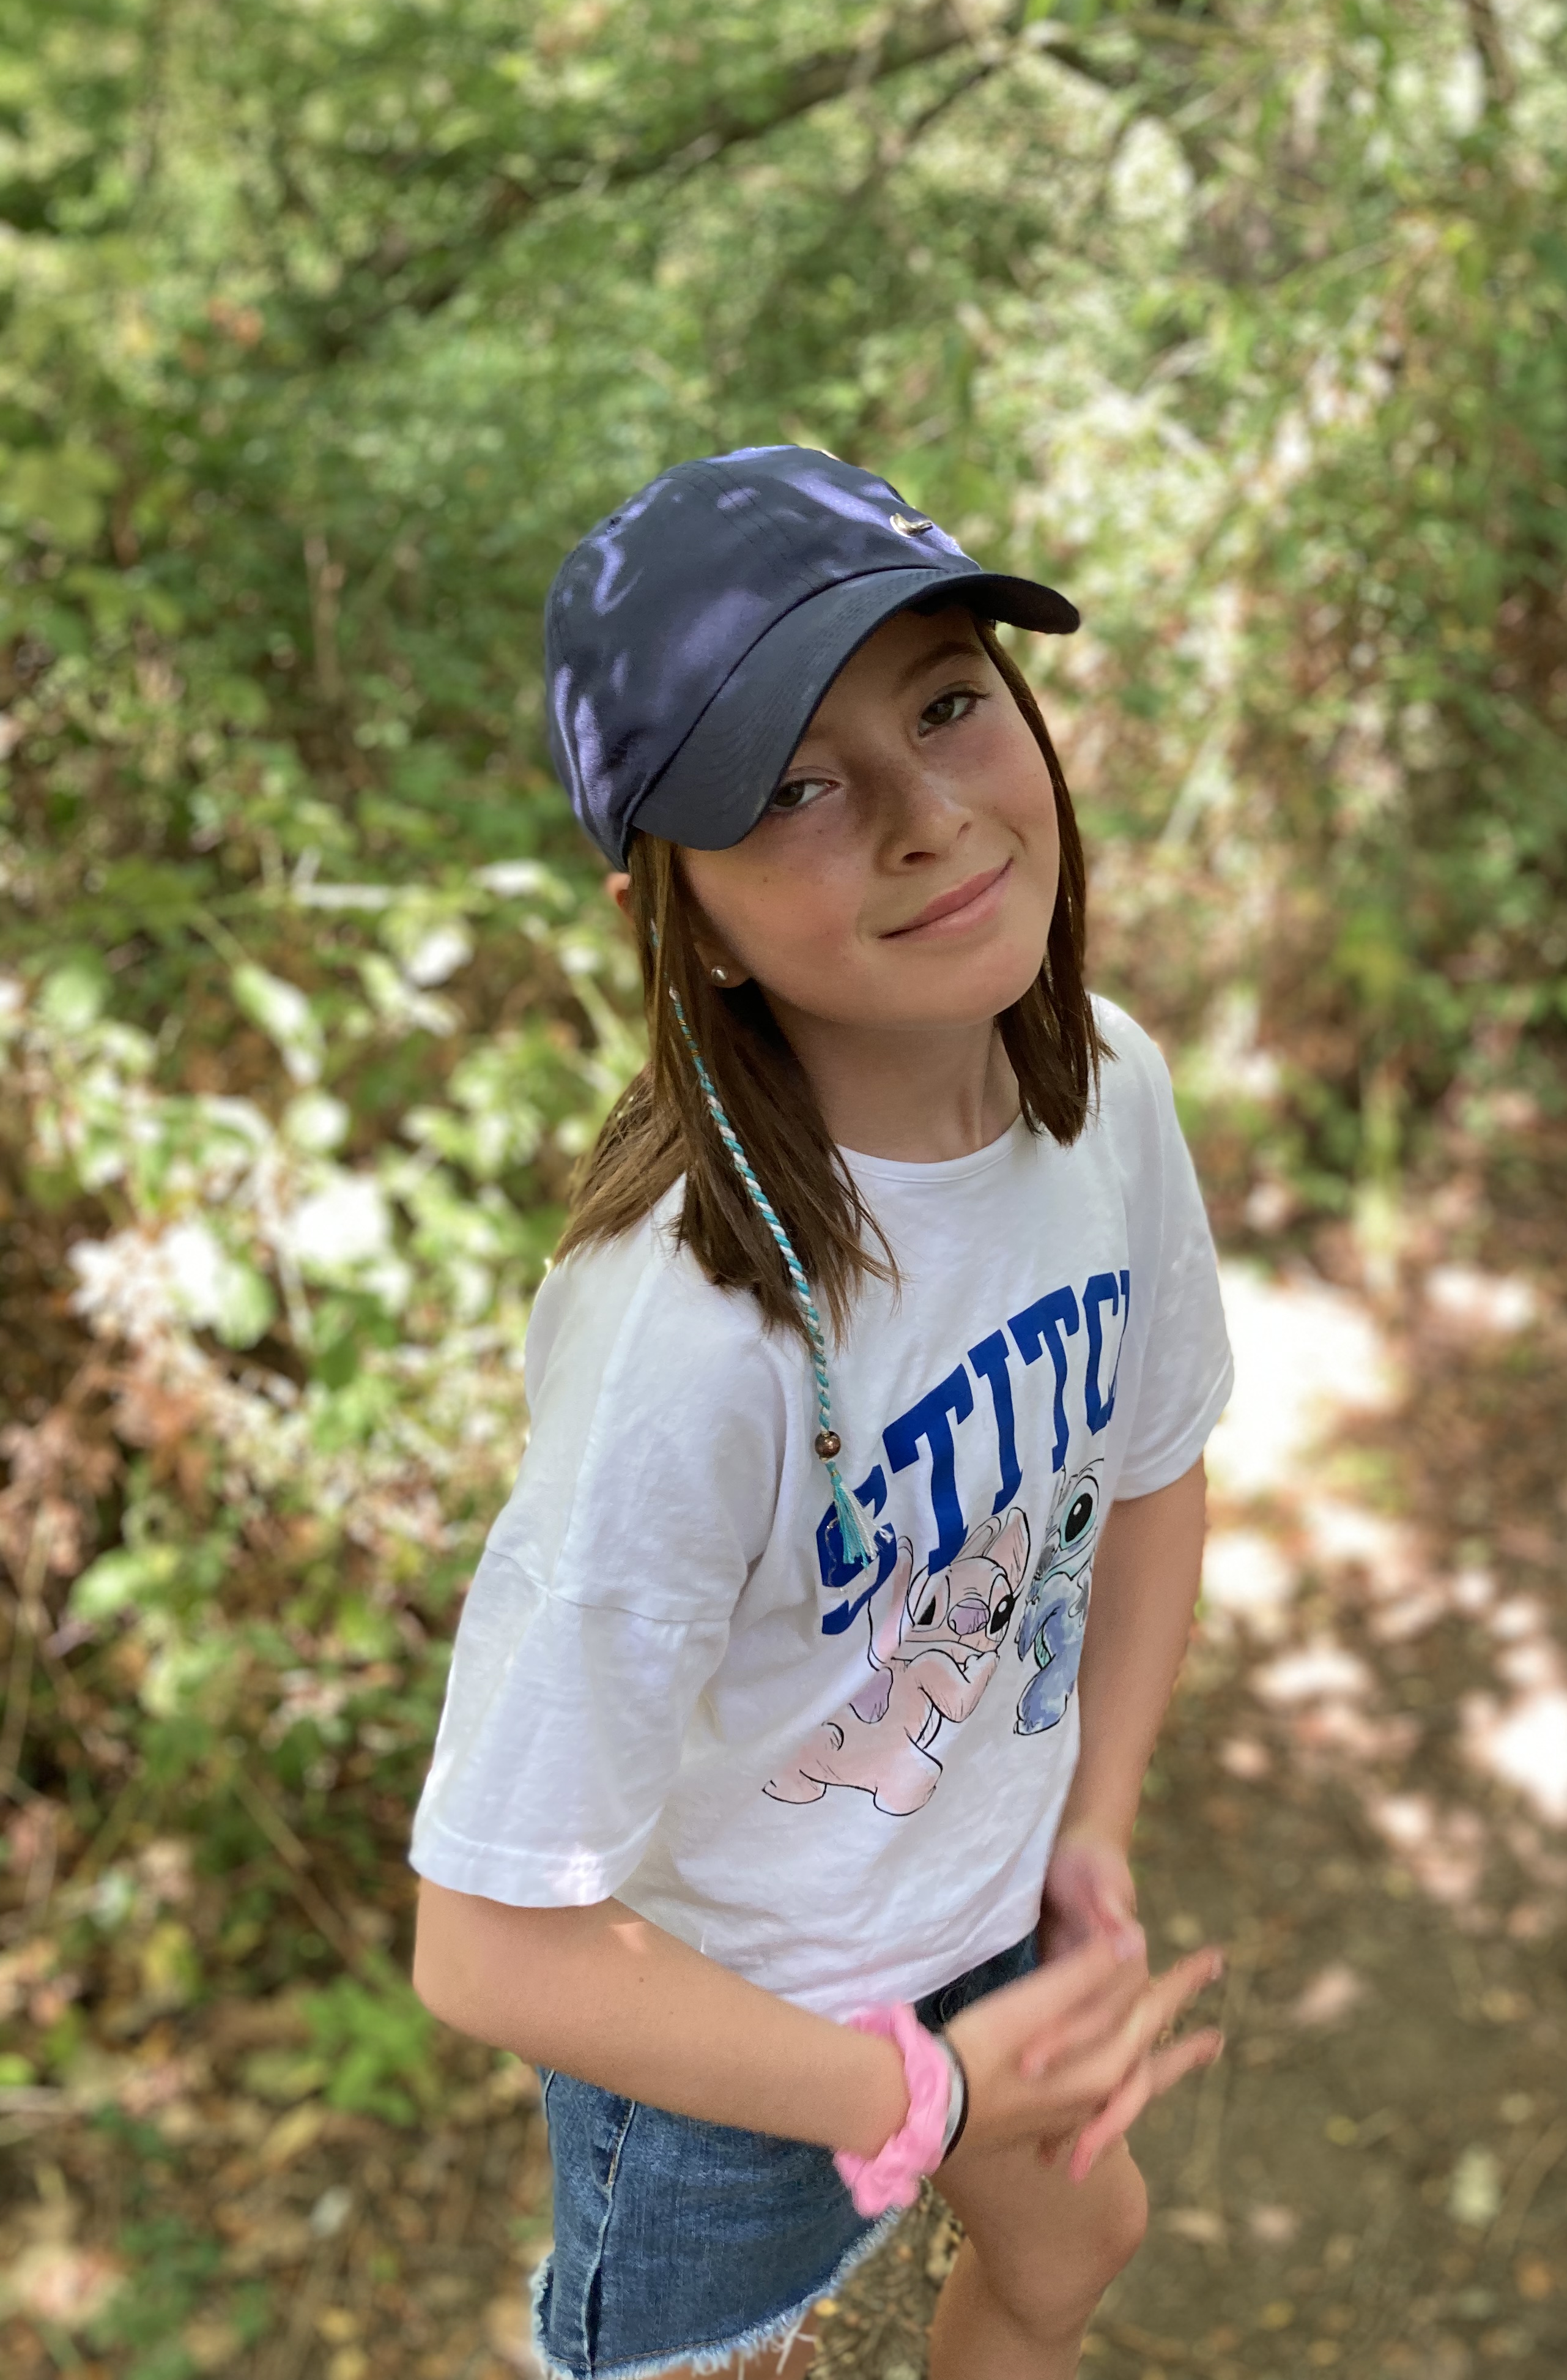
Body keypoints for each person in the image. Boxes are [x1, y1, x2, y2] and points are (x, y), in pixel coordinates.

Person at [409, 447, 1236, 2380]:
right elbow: (492, 1942)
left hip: (983, 1915)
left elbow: (1155, 1474)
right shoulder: (695, 1336)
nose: (929, 815)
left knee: (1076, 2240)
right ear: (679, 913)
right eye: (793, 788)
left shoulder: (1105, 1094)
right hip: (729, 2022)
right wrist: (913, 2101)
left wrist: (1092, 1825)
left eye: (946, 703)